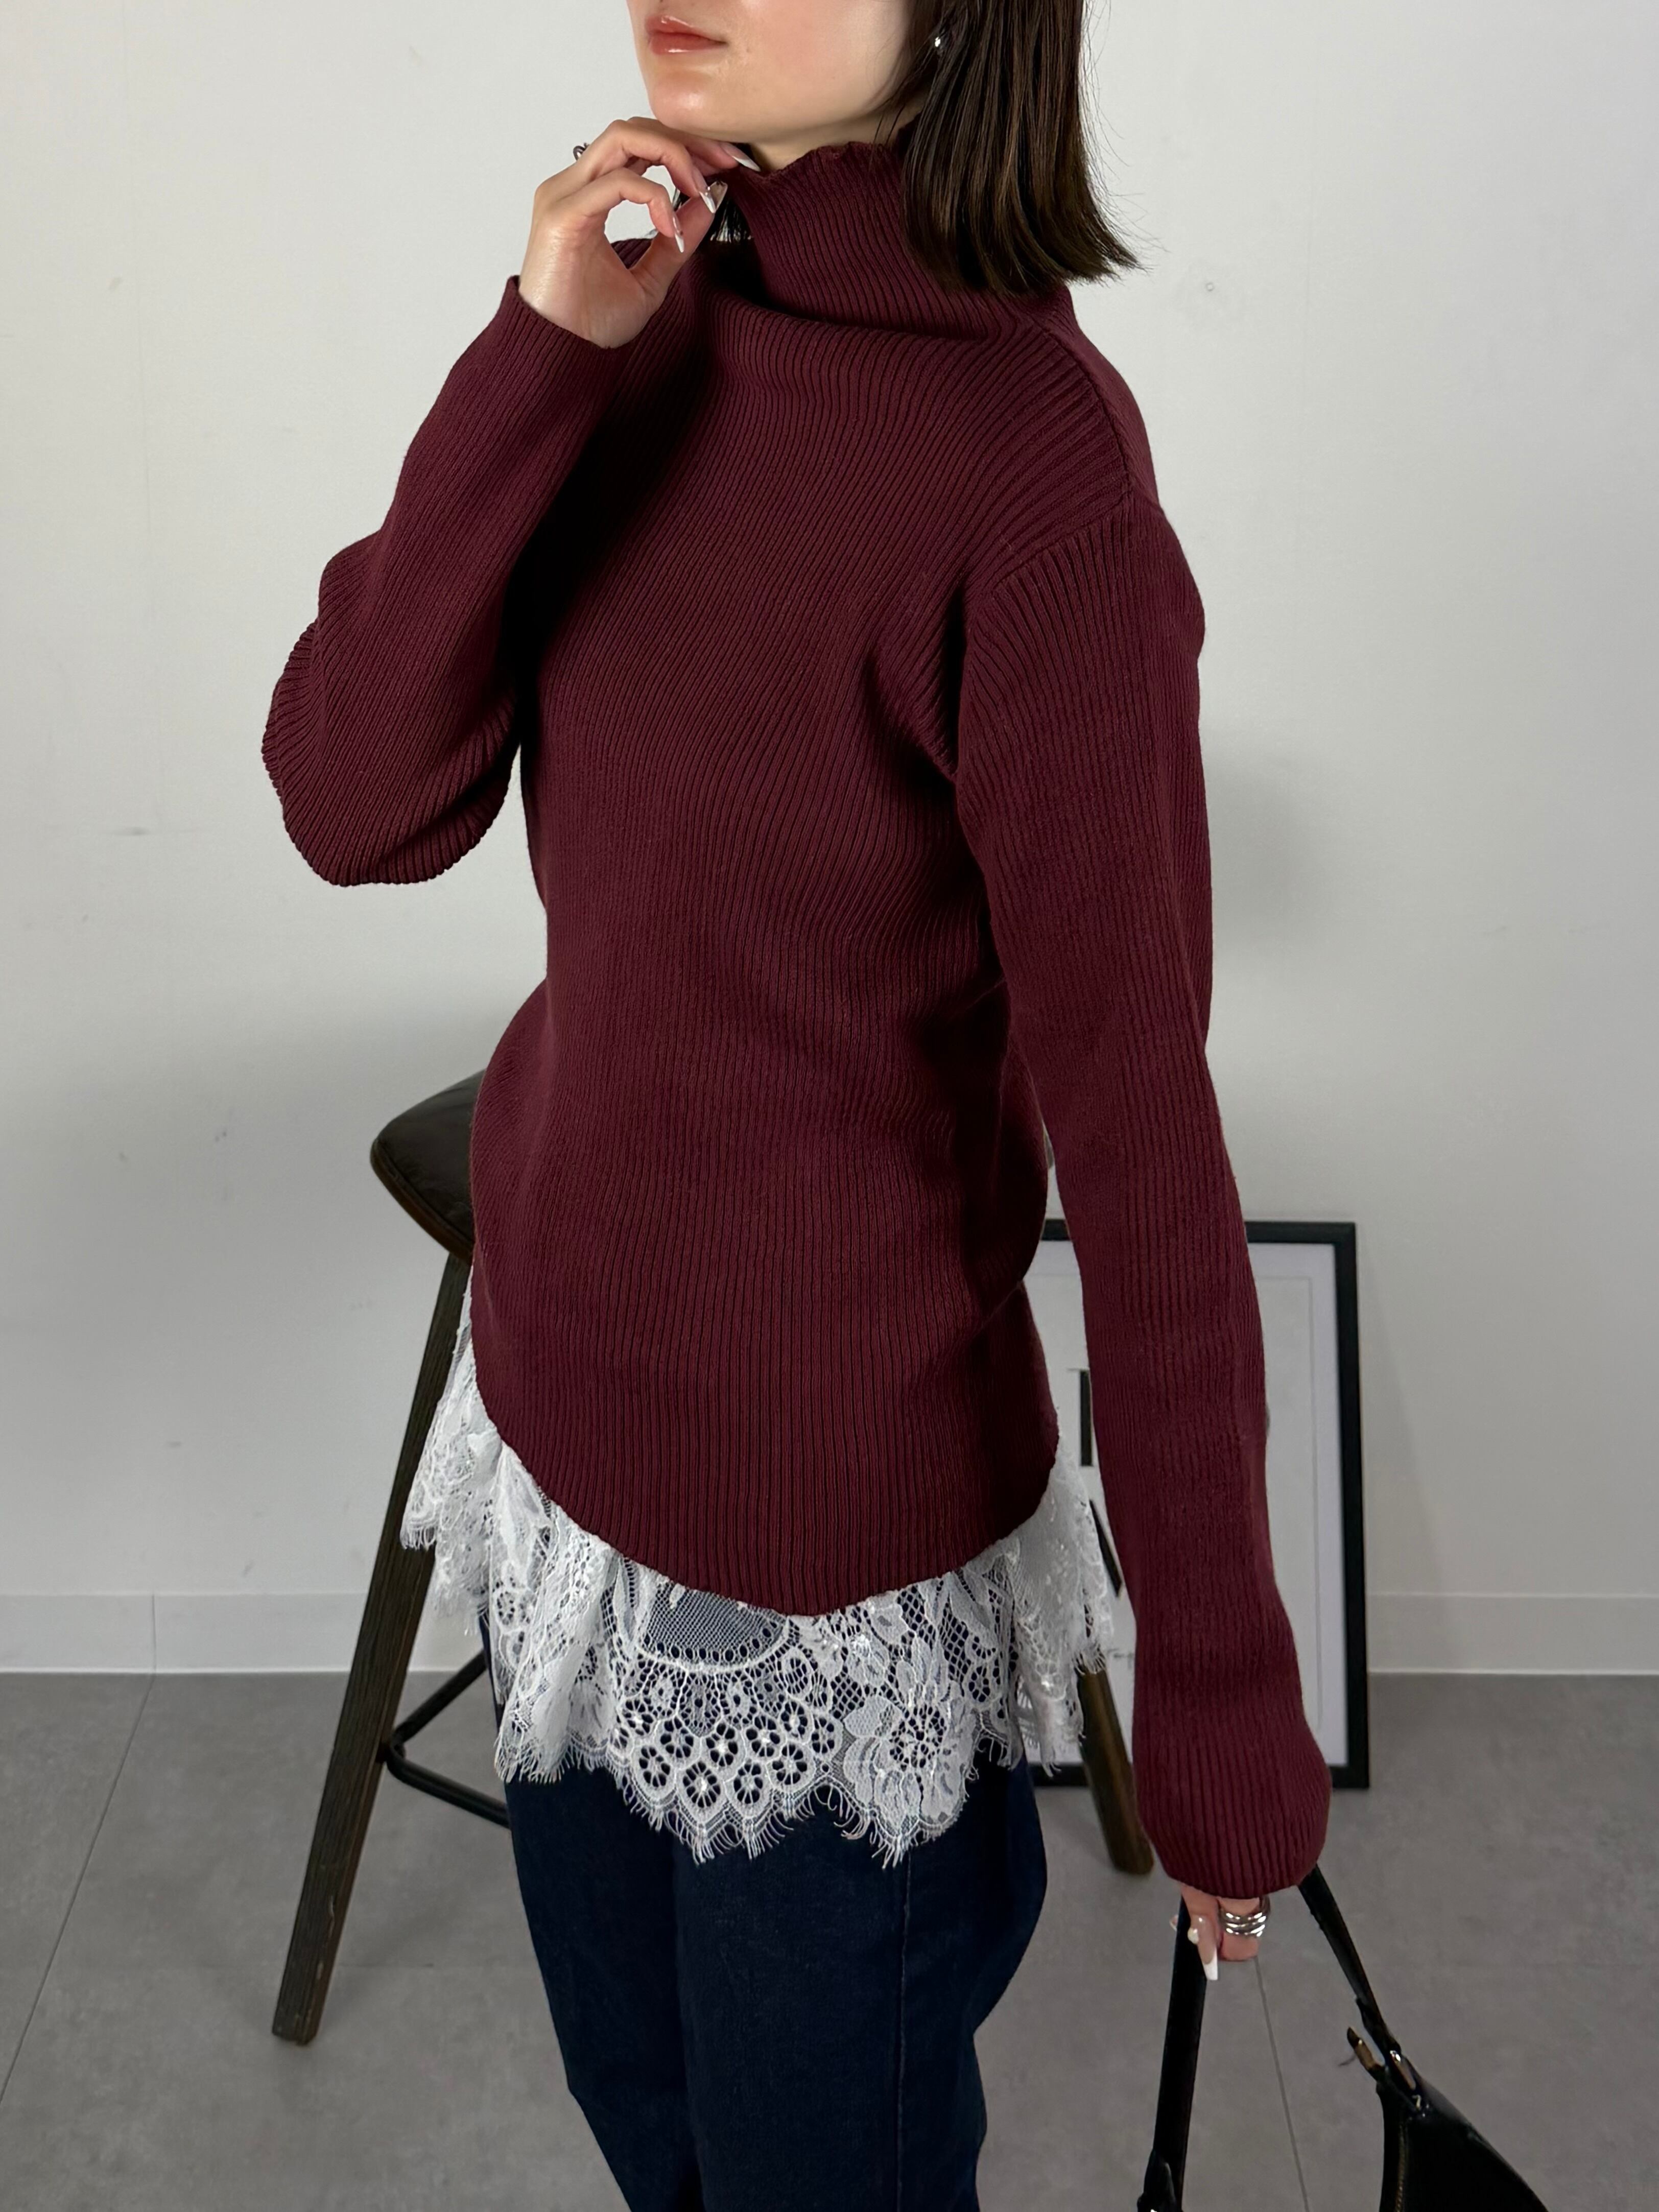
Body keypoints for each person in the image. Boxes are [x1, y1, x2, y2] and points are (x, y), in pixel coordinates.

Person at [262, 1, 1332, 2203]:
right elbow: (354, 801)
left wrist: (1221, 1693)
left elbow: (1143, 1140)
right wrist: (536, 352)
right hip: (554, 1443)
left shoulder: (1033, 473)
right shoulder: (644, 314)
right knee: (646, 2129)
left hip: (825, 1547)